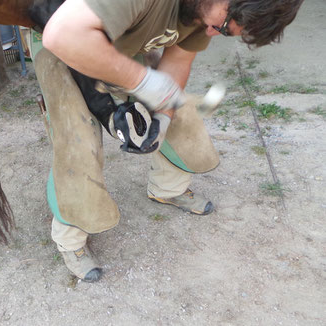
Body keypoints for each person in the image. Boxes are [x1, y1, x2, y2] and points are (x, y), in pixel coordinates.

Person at [32, 0, 303, 282]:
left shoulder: (204, 12)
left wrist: (162, 116)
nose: (213, 34)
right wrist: (144, 83)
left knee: (178, 113)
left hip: (119, 44)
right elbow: (61, 34)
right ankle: (71, 238)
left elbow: (179, 59)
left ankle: (167, 188)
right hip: (60, 43)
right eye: (223, 27)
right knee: (78, 138)